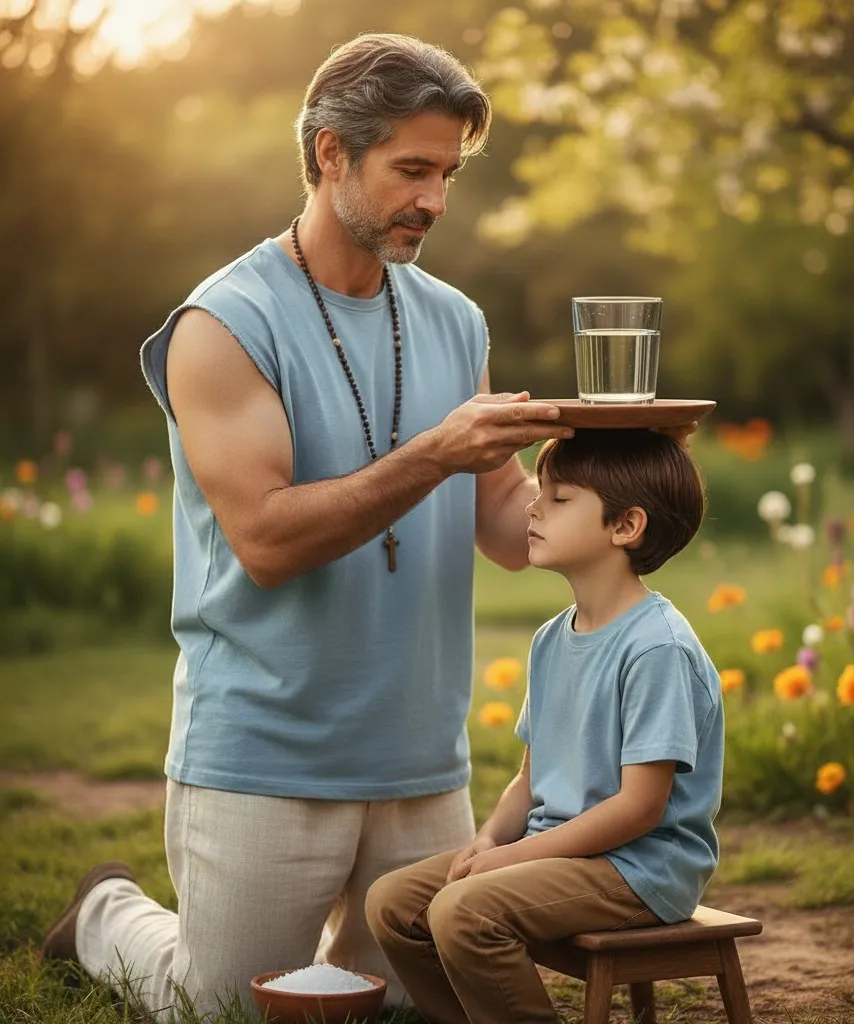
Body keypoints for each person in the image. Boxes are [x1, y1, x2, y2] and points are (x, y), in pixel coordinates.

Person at [39, 33, 580, 1019]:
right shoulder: (225, 322)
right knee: (231, 1006)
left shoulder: (457, 319)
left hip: (421, 758)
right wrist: (435, 453)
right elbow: (268, 539)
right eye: (411, 170)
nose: (434, 201)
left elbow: (504, 525)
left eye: (447, 174)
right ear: (330, 152)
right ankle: (108, 916)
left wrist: (609, 481)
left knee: (414, 1003)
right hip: (266, 755)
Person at [365, 428, 724, 1024]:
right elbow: (531, 779)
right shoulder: (552, 638)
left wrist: (511, 863)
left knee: (464, 912)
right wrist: (489, 840)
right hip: (560, 852)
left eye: (559, 499)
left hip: (641, 868)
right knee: (393, 904)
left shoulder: (657, 648)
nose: (533, 505)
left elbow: (639, 809)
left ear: (625, 526)